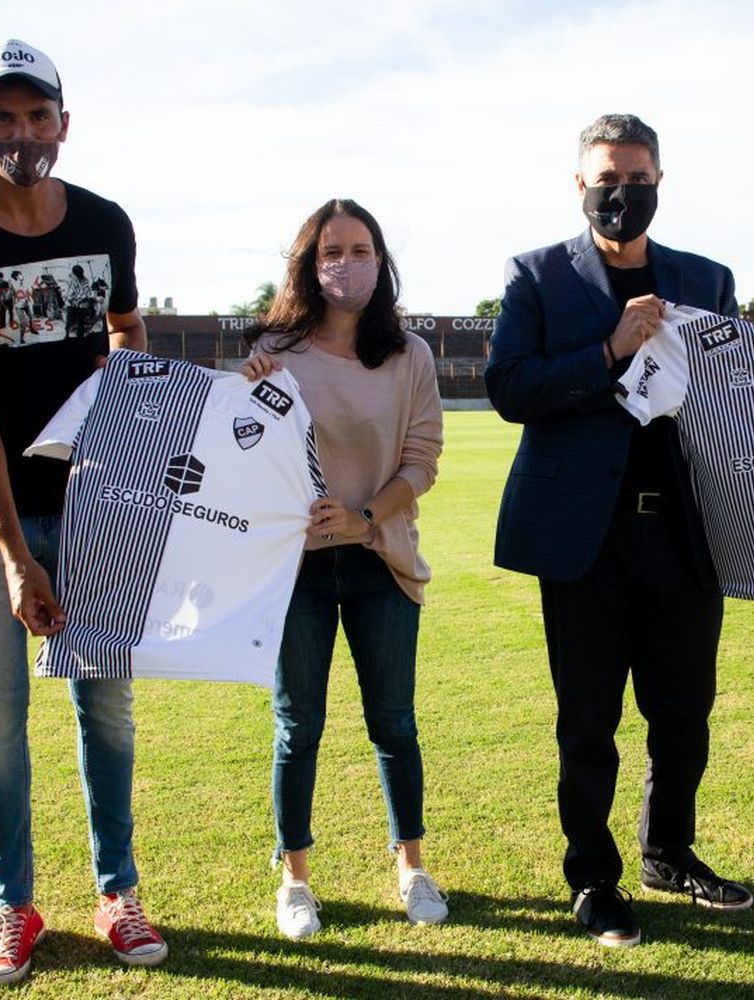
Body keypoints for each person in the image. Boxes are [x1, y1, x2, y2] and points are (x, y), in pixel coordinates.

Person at [0, 39, 167, 987]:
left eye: (36, 115)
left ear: (63, 120)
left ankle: (118, 893)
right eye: (1, 117)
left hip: (96, 510)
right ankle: (13, 907)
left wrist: (120, 365)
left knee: (108, 709)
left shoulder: (104, 223)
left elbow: (129, 331)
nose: (21, 134)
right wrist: (16, 552)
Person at [485, 113, 751, 950]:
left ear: (659, 182)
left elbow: (736, 390)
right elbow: (509, 388)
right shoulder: (535, 275)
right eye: (607, 177)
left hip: (684, 531)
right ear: (579, 184)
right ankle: (593, 878)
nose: (622, 192)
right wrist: (609, 349)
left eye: (638, 178)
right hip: (583, 539)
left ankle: (668, 851)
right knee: (588, 718)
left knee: (684, 712)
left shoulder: (707, 279)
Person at [240, 199, 447, 940]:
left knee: (394, 722)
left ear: (380, 261)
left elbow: (421, 459)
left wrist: (365, 520)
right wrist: (250, 384)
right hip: (293, 574)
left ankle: (414, 868)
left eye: (360, 251)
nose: (346, 264)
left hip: (380, 564)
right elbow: (247, 456)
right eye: (332, 251)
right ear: (309, 261)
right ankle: (295, 881)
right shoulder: (275, 349)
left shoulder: (410, 355)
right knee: (298, 728)